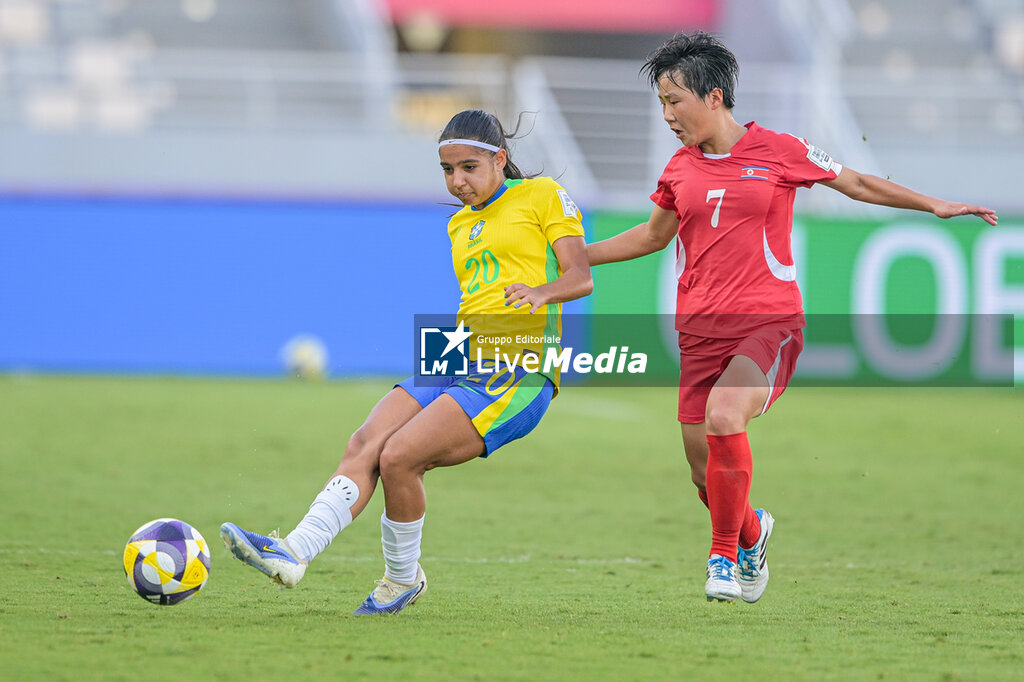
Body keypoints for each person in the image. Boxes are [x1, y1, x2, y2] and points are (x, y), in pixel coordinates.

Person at [587, 31, 997, 604]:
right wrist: (575, 256)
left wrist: (934, 204)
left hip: (768, 322)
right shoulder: (679, 169)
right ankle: (751, 533)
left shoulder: (780, 149)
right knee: (704, 475)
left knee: (726, 415)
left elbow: (853, 182)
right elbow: (653, 236)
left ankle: (723, 558)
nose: (667, 115)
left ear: (714, 96)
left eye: (674, 101)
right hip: (698, 330)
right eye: (660, 103)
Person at [220, 109, 592, 614]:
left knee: (400, 458)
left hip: (519, 368)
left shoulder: (542, 195)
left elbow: (580, 277)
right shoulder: (460, 224)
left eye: (469, 168)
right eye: (447, 170)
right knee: (366, 441)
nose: (457, 182)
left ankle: (401, 580)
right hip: (457, 349)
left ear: (500, 159)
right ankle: (293, 551)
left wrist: (540, 292)